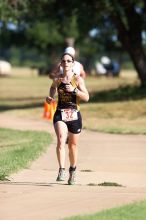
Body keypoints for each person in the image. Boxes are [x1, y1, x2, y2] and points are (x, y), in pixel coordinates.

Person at [46, 52, 89, 185]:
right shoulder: (57, 79)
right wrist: (51, 97)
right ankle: (61, 169)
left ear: (73, 63)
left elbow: (87, 97)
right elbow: (53, 87)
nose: (66, 63)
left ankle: (73, 170)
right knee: (60, 140)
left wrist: (74, 90)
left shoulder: (77, 79)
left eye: (68, 61)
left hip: (74, 114)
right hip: (60, 113)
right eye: (63, 61)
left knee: (72, 146)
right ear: (61, 63)